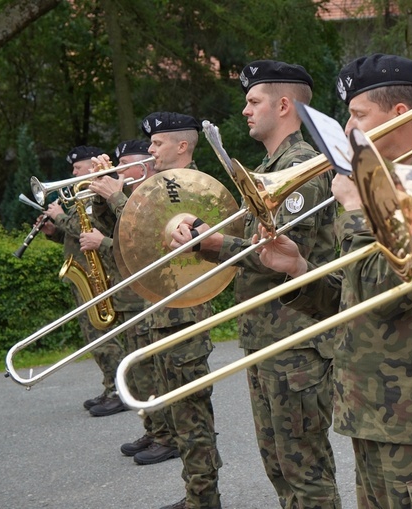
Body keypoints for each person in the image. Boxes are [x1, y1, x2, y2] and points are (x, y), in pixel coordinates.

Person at [255, 54, 412, 508]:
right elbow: (353, 300)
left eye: (358, 115)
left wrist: (356, 215)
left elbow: (384, 296)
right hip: (372, 415)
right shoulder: (381, 182)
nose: (346, 130)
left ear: (400, 114)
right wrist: (300, 271)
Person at [169, 60, 341, 509]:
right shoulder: (269, 167)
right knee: (280, 465)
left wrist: (211, 243)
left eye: (253, 101)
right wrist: (202, 229)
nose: (245, 110)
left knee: (305, 470)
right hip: (268, 336)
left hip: (296, 341)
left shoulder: (302, 165)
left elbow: (278, 254)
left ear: (284, 105)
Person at [138, 112, 223, 509]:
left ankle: (204, 499)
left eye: (157, 143)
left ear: (183, 146)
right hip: (162, 312)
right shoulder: (162, 186)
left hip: (185, 314)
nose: (150, 150)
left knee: (192, 418)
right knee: (177, 415)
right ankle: (196, 494)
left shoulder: (198, 191)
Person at [84, 140, 177, 458]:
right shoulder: (126, 197)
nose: (120, 171)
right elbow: (108, 226)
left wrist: (104, 242)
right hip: (126, 294)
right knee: (137, 373)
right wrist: (101, 197)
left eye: (125, 165)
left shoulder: (154, 194)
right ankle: (153, 430)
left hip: (145, 295)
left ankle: (166, 435)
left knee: (151, 371)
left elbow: (147, 240)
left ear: (143, 168)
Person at [39, 145, 127, 416]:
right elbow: (75, 235)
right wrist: (53, 230)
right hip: (84, 269)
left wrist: (60, 217)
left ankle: (120, 389)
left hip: (99, 271)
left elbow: (92, 230)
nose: (73, 173)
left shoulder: (96, 197)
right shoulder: (82, 197)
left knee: (104, 334)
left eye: (78, 168)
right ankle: (110, 384)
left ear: (92, 167)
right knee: (93, 335)